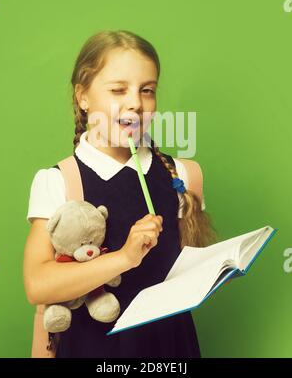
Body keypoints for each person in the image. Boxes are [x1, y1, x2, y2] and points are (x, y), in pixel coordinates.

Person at [23, 29, 216, 358]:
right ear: (83, 97)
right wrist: (124, 258)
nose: (135, 104)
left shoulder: (181, 176)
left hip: (169, 347)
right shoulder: (60, 181)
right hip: (91, 348)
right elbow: (38, 284)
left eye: (147, 90)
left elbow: (185, 274)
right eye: (118, 90)